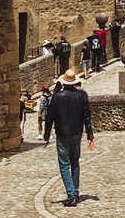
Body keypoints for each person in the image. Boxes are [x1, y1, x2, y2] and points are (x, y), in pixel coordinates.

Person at [44, 68, 95, 207]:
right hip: (77, 134)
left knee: (64, 165)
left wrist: (46, 134)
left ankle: (72, 195)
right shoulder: (82, 95)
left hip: (62, 134)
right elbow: (87, 117)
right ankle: (75, 192)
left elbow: (49, 117)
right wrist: (90, 135)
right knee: (75, 163)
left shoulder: (57, 97)